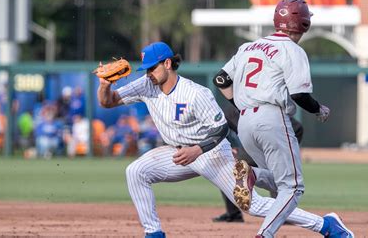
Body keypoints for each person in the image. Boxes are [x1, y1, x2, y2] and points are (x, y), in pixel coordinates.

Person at [97, 41, 350, 238]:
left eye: (152, 68)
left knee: (252, 206)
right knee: (136, 171)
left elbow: (220, 131)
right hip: (176, 152)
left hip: (211, 153)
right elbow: (108, 102)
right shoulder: (147, 85)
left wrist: (198, 149)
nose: (148, 73)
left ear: (167, 64)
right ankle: (154, 233)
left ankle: (326, 225)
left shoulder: (196, 93)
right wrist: (104, 84)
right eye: (146, 69)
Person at [214, 0, 354, 238]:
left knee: (281, 184)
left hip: (245, 121)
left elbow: (221, 79)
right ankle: (264, 234)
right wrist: (319, 109)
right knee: (294, 187)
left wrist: (242, 104)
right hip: (271, 118)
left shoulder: (249, 47)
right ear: (304, 24)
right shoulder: (292, 49)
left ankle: (253, 174)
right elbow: (299, 94)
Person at [212, 103, 304, 223]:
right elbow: (218, 130)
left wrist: (287, 149)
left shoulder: (265, 106)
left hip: (271, 148)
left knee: (276, 174)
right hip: (252, 150)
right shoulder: (231, 110)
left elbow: (297, 128)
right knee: (228, 167)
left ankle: (283, 214)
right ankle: (234, 214)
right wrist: (228, 147)